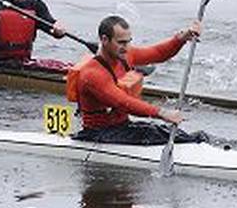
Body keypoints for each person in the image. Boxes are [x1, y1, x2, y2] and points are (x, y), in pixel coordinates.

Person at [65, 14, 207, 145]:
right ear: (104, 40)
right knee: (156, 134)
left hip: (122, 126)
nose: (126, 47)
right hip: (98, 133)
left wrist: (181, 38)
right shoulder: (92, 74)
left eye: (128, 42)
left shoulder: (124, 55)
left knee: (172, 133)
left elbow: (158, 53)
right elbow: (123, 102)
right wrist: (163, 113)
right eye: (121, 42)